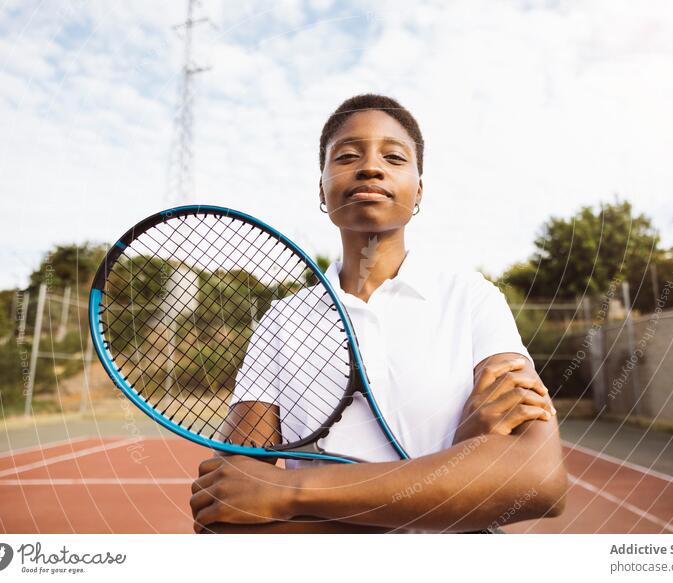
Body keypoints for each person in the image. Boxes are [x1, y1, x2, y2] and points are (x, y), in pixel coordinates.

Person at [189, 94, 568, 533]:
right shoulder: (282, 320)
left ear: (419, 190)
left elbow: (537, 481)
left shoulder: (473, 299)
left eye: (393, 157)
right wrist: (455, 476)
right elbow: (225, 514)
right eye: (347, 156)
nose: (371, 167)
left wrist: (292, 493)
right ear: (322, 188)